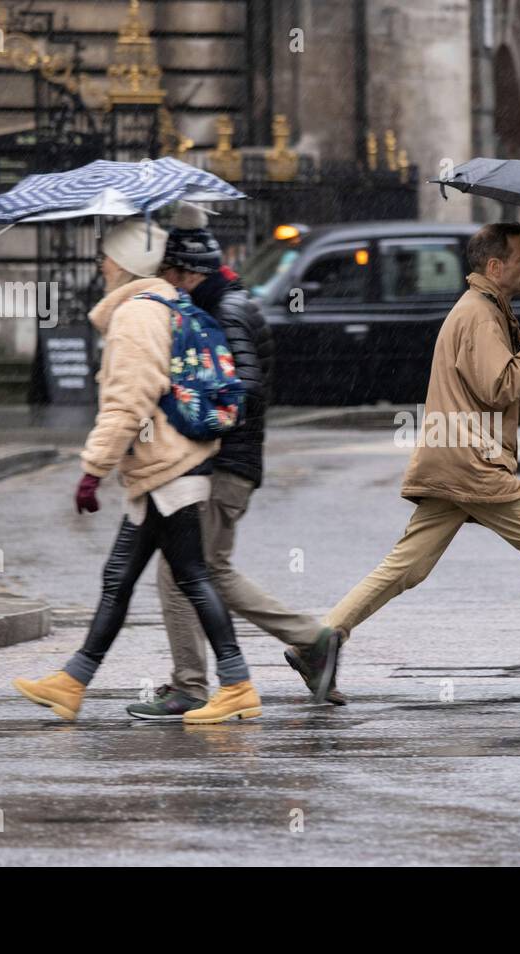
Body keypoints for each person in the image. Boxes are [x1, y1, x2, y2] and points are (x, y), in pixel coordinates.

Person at [316, 222, 520, 701]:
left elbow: (512, 398)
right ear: (494, 266)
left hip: (455, 457)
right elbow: (500, 387)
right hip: (472, 460)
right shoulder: (480, 315)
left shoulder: (489, 312)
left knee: (407, 566)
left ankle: (321, 641)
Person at [12, 219, 261, 725]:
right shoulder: (159, 307)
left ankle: (237, 684)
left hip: (171, 469)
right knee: (118, 576)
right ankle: (72, 682)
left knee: (191, 574)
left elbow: (128, 403)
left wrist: (92, 469)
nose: (100, 264)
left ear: (123, 265)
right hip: (159, 471)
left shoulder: (136, 316)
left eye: (105, 256)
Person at [125, 205, 342, 718]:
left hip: (223, 464)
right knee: (209, 570)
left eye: (167, 277)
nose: (166, 287)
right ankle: (312, 642)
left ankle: (191, 685)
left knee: (181, 570)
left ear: (184, 271)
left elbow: (241, 387)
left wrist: (192, 419)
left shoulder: (224, 310)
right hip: (232, 463)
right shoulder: (226, 301)